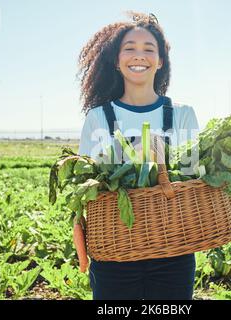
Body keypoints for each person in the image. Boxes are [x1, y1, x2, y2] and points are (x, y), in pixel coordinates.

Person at [75, 11, 200, 300]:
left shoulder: (182, 114)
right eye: (129, 49)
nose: (138, 56)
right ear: (117, 62)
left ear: (161, 61)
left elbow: (194, 177)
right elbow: (85, 186)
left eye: (149, 49)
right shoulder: (98, 118)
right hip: (114, 252)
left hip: (174, 248)